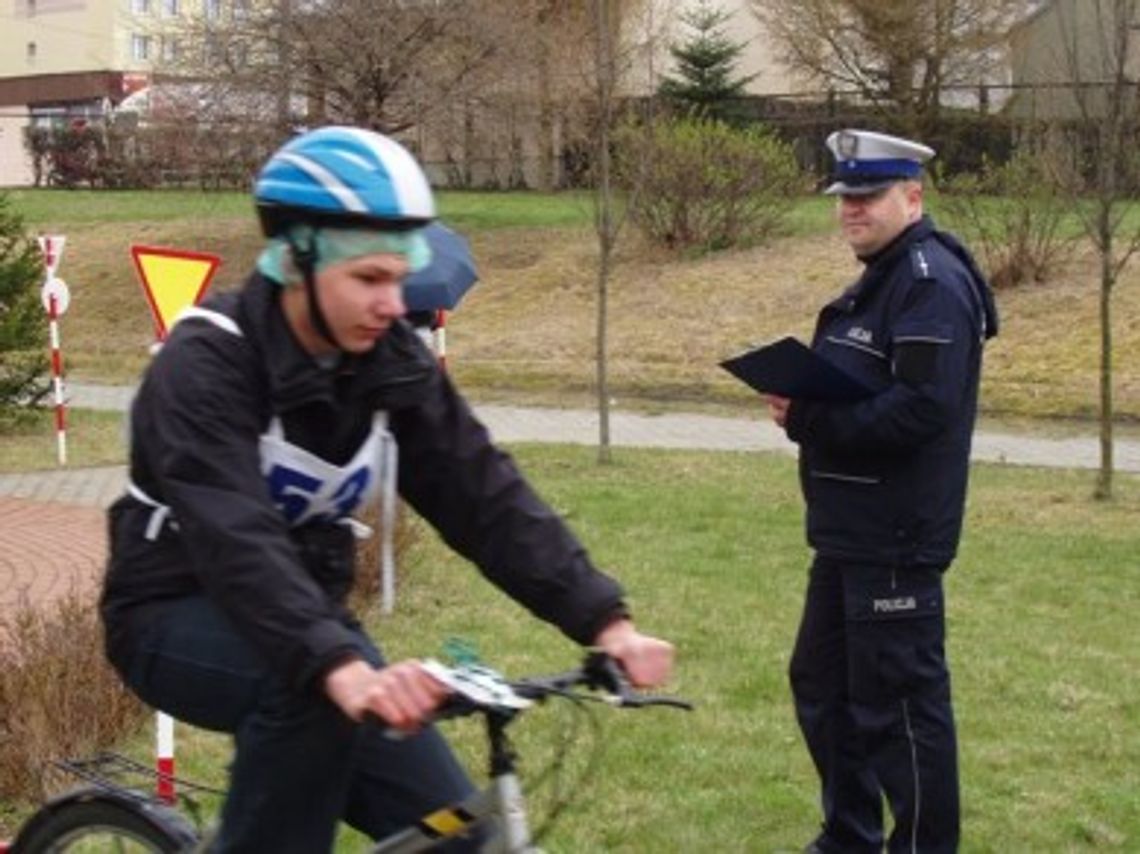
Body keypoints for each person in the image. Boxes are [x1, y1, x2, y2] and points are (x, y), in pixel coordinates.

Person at [99, 125, 674, 853]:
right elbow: (234, 536)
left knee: (457, 834)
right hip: (173, 612)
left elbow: (481, 492)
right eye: (369, 279)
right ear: (296, 259)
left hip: (313, 628)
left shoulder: (388, 358)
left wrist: (603, 619)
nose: (391, 303)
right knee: (304, 695)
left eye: (401, 279)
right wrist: (336, 665)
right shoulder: (207, 362)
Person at [763, 129, 998, 853]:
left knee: (900, 709)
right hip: (847, 533)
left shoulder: (929, 284)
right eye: (844, 198)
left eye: (867, 196)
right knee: (824, 688)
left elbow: (922, 409)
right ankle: (851, 836)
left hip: (896, 536)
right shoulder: (883, 277)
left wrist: (810, 417)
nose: (851, 211)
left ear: (913, 196)